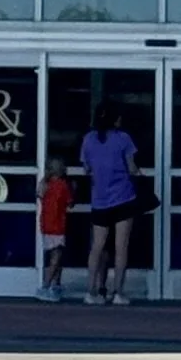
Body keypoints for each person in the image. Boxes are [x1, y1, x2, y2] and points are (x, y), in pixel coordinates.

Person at [80, 101, 141, 305]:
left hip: (99, 199)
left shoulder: (88, 140)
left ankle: (91, 291)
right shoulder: (124, 139)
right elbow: (132, 168)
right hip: (124, 198)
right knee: (121, 247)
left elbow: (87, 169)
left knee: (97, 246)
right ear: (115, 119)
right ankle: (118, 293)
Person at [37, 155, 73, 300]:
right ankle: (46, 286)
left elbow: (39, 196)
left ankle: (56, 285)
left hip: (46, 225)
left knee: (55, 256)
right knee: (56, 257)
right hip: (58, 225)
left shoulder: (44, 184)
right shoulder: (63, 186)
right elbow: (70, 203)